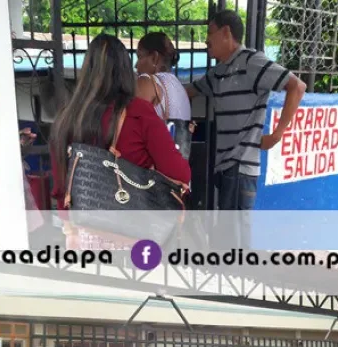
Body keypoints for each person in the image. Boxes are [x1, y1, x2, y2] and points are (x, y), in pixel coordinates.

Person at [49, 34, 192, 250]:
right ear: (126, 71)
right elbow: (179, 174)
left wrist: (71, 230)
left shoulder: (66, 118)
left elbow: (61, 186)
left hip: (81, 236)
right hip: (135, 238)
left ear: (87, 70)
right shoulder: (139, 112)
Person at [186, 9, 306, 216]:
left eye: (210, 32)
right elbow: (188, 91)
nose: (206, 40)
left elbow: (297, 86)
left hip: (240, 167)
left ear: (225, 32)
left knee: (234, 238)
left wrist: (277, 135)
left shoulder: (252, 62)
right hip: (224, 167)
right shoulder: (218, 73)